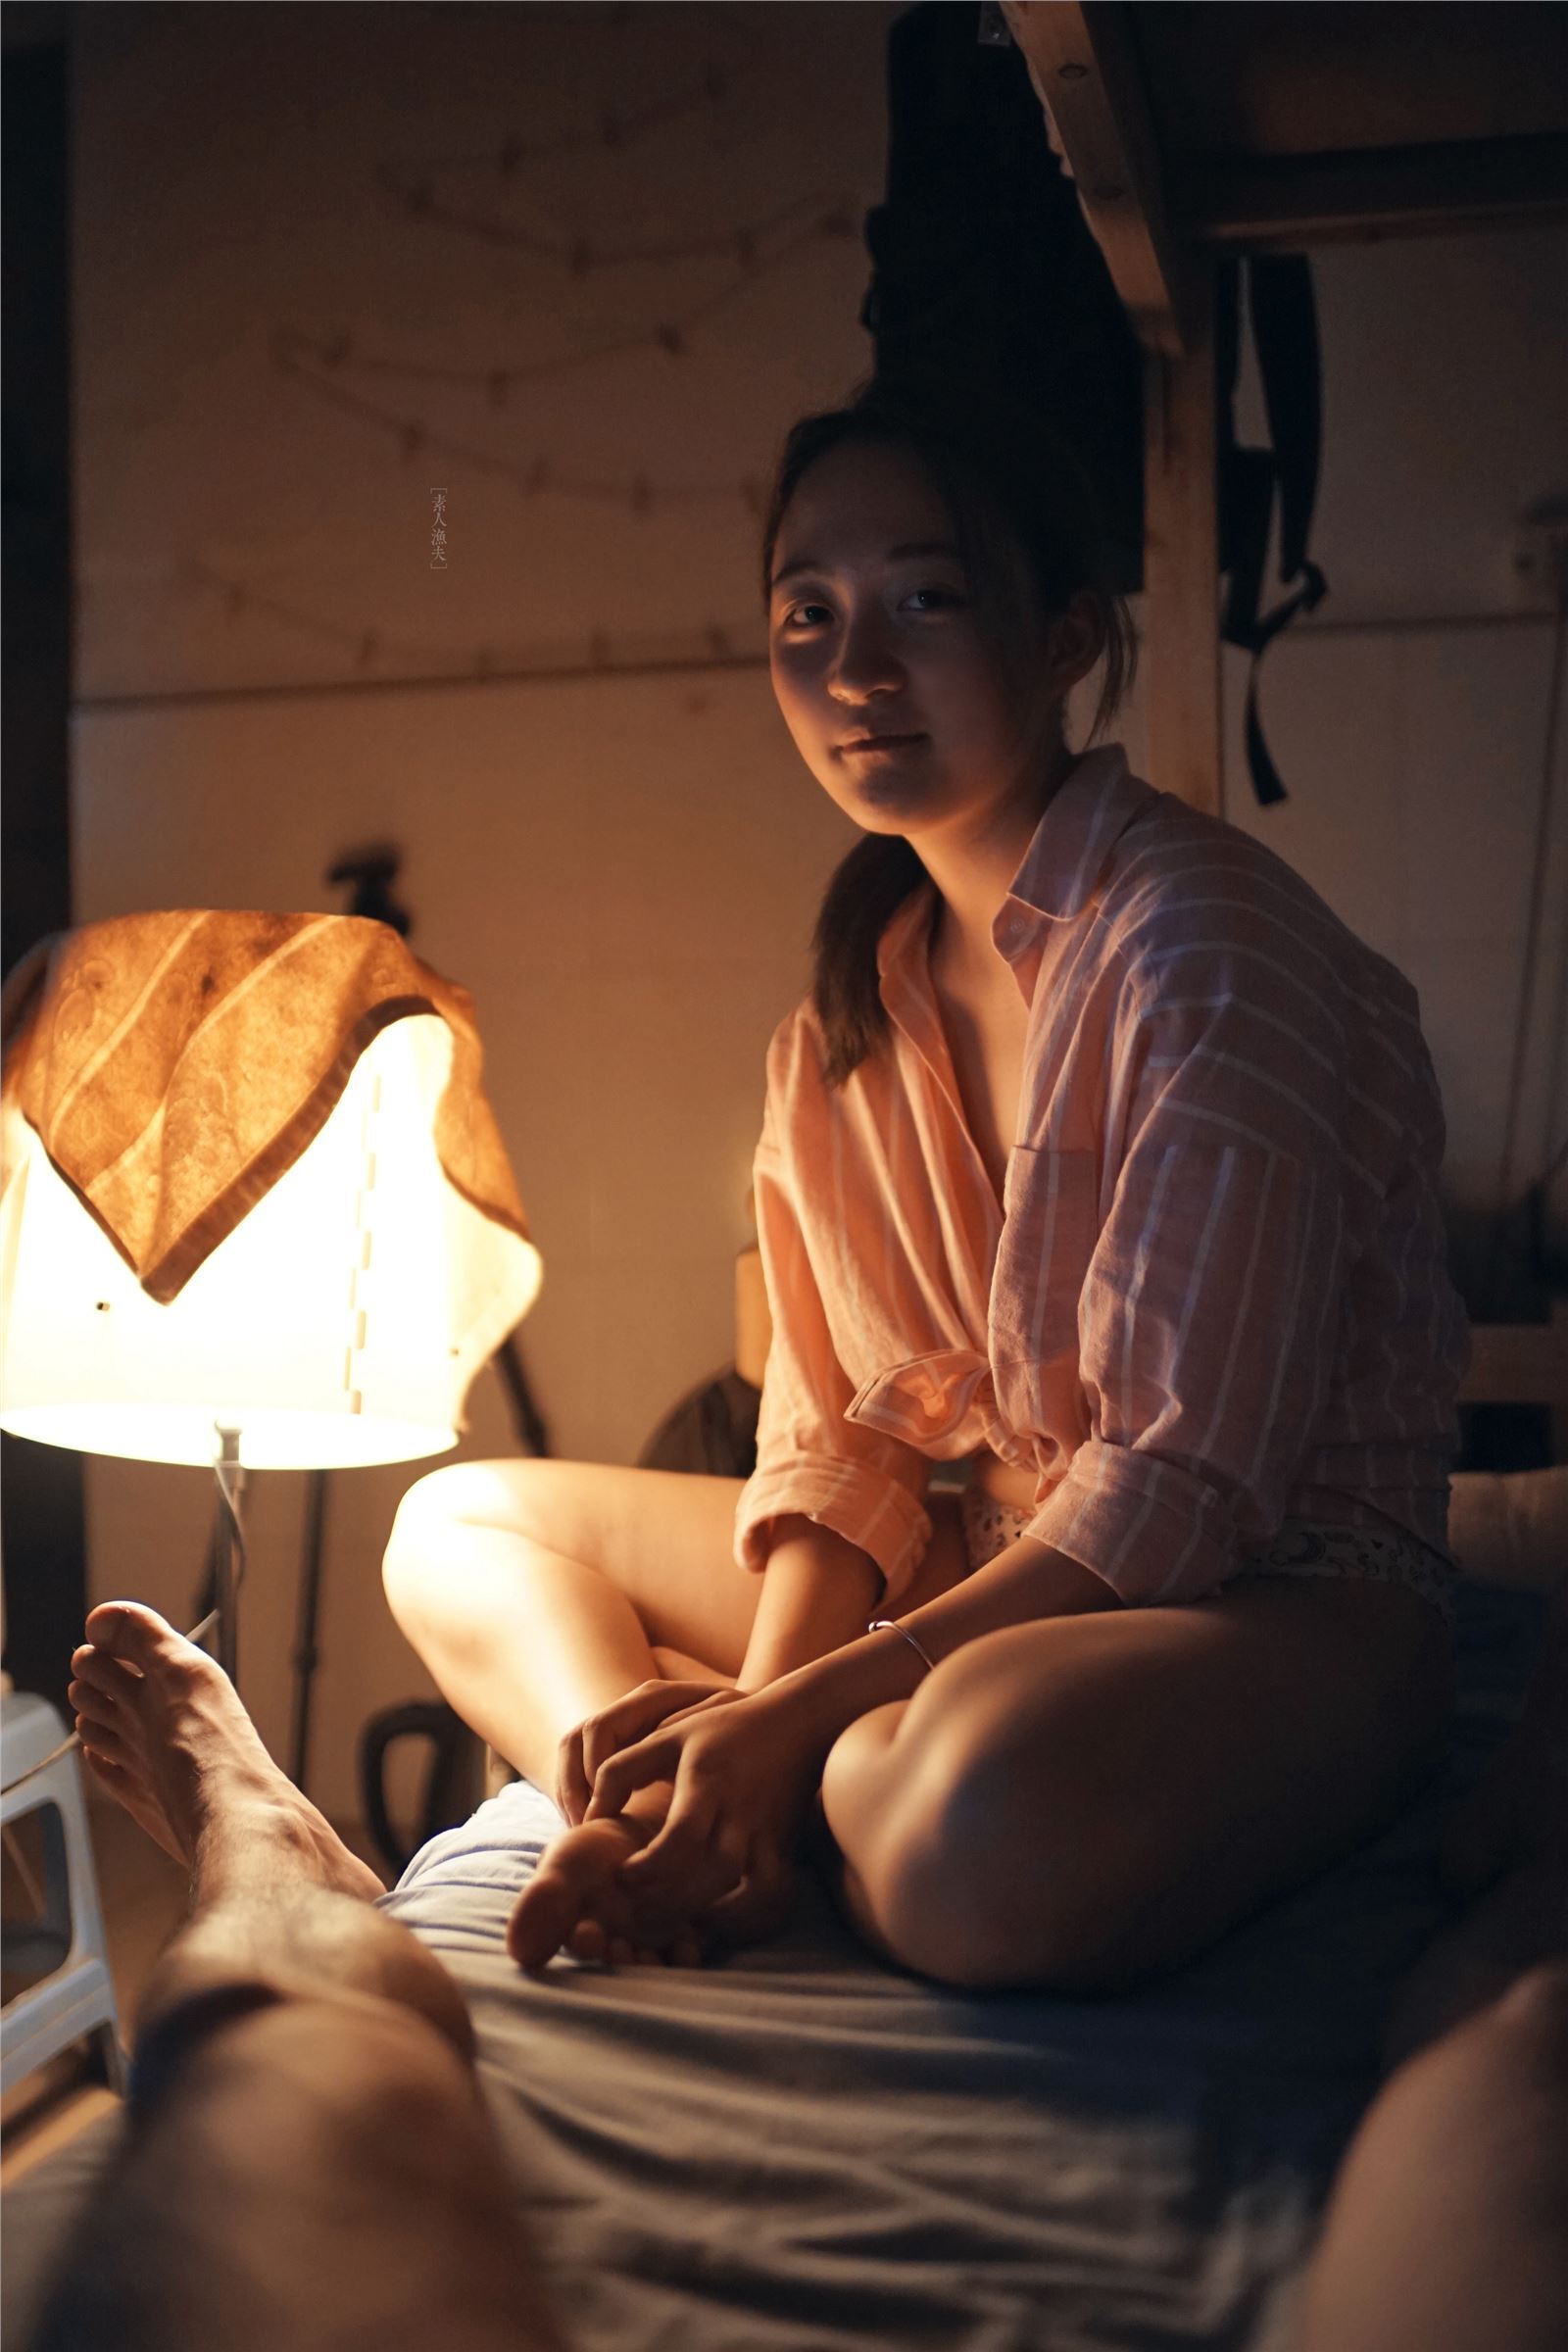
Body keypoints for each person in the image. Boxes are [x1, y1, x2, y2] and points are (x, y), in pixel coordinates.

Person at [380, 371, 1466, 1984]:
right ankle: (660, 1803)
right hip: (997, 1569)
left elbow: (1173, 1494)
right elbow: (840, 1456)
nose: (857, 669)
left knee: (972, 1820)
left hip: (1277, 1603)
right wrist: (764, 1711)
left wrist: (791, 1709)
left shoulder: (1202, 947)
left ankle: (773, 1793)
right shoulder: (843, 1019)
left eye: (926, 600)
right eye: (805, 614)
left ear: (1064, 638)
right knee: (457, 1521)